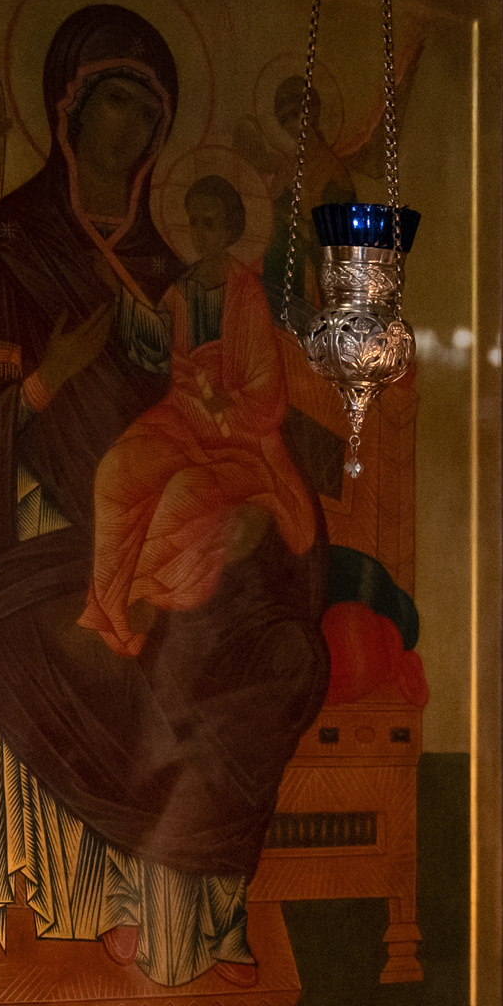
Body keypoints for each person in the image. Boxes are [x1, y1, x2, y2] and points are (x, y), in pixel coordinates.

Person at [0, 3, 329, 990]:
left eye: (150, 108)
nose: (134, 125)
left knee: (278, 649)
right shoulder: (12, 247)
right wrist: (47, 379)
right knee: (114, 645)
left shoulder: (179, 275)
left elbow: (239, 405)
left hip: (183, 525)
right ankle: (118, 903)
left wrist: (252, 522)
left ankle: (196, 912)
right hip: (45, 537)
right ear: (66, 108)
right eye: (116, 100)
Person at [80, 175, 320, 660]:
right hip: (184, 418)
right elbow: (161, 356)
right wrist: (128, 311)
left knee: (183, 494)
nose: (201, 233)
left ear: (231, 228)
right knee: (115, 473)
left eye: (211, 223)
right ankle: (106, 614)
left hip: (242, 441)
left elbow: (268, 392)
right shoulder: (180, 292)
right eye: (195, 223)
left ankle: (136, 600)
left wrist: (225, 406)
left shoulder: (246, 294)